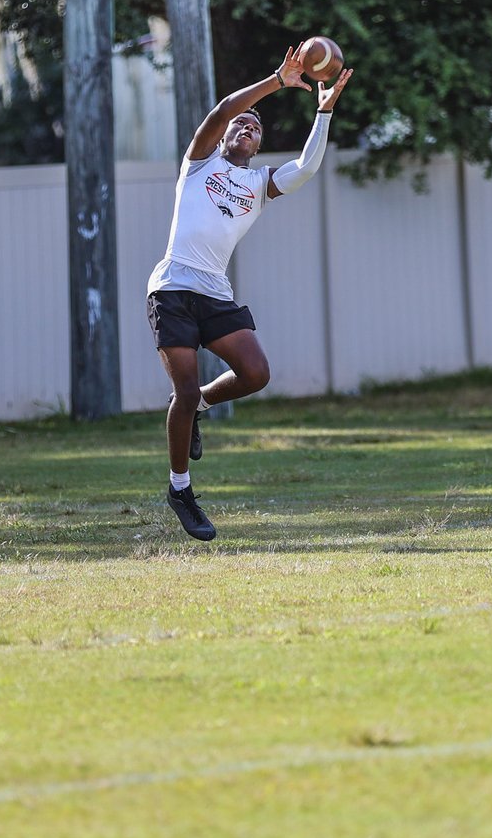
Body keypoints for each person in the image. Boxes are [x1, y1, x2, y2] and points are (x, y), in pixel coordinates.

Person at [146, 44, 352, 541]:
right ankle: (181, 490)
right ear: (225, 138)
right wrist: (278, 80)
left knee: (255, 373)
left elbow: (304, 169)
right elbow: (220, 111)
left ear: (258, 146)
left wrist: (322, 113)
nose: (247, 127)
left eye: (256, 128)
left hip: (215, 292)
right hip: (172, 286)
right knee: (186, 386)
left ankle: (197, 408)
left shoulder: (259, 184)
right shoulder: (197, 165)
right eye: (243, 124)